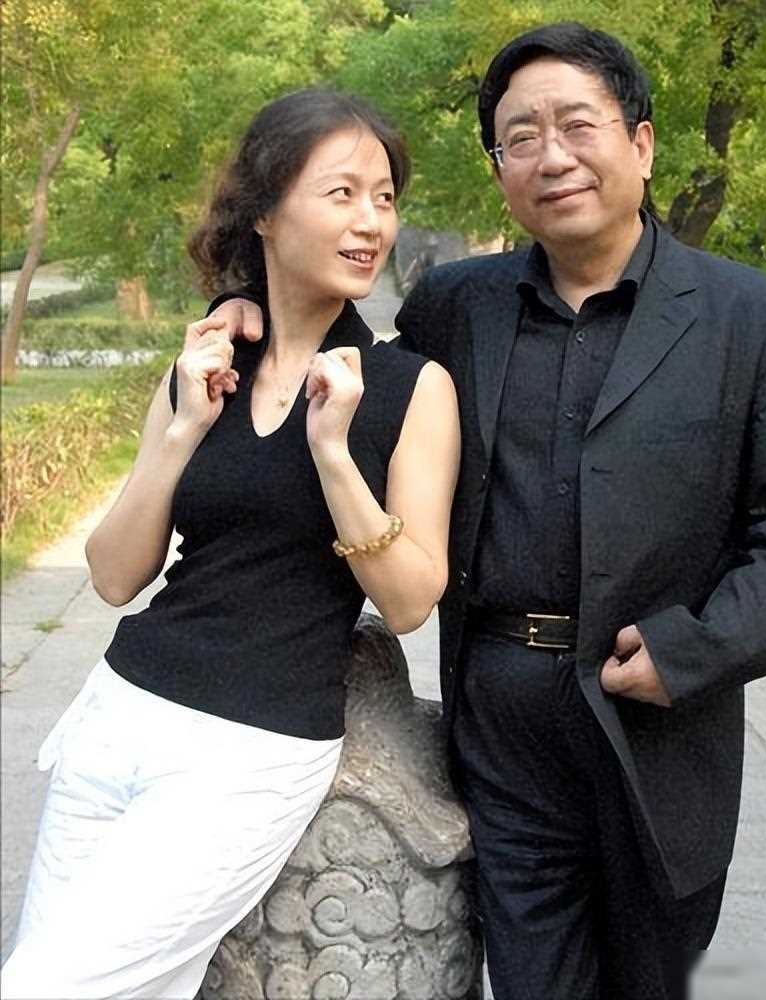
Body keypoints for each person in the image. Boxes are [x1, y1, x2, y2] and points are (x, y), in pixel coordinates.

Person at [208, 22, 766, 1000]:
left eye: (577, 126)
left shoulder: (750, 316)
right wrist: (246, 310)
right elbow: (351, 369)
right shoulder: (457, 305)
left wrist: (694, 651)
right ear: (499, 168)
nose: (551, 157)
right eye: (520, 137)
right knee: (533, 977)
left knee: (652, 978)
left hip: (655, 722)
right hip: (501, 719)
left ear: (640, 143)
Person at [0, 88, 459, 1000]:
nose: (372, 221)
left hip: (253, 747)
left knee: (49, 986)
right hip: (120, 713)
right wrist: (180, 431)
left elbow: (411, 599)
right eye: (342, 193)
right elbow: (114, 574)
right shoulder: (207, 363)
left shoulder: (412, 388)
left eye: (384, 197)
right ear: (265, 212)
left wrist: (334, 454)